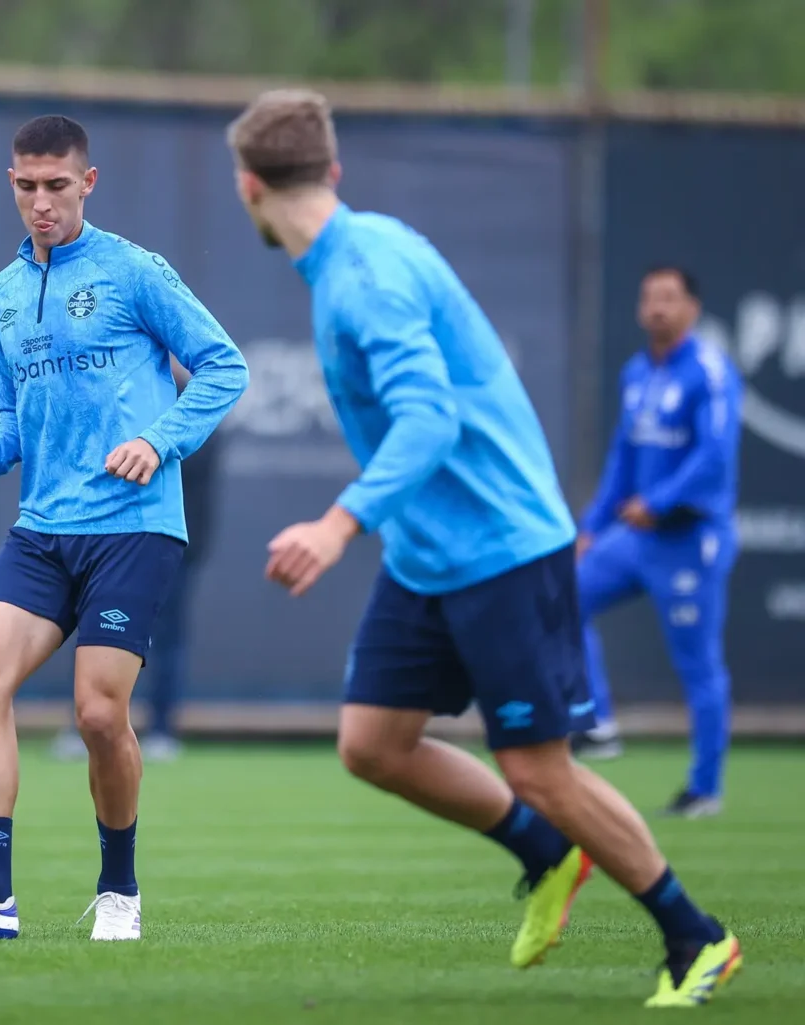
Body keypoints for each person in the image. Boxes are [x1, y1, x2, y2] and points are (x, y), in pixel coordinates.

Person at [226, 88, 741, 1008]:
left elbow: (429, 416)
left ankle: (694, 935)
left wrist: (338, 522)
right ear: (333, 172)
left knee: (541, 770)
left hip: (503, 550)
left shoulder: (366, 277)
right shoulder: (357, 249)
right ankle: (544, 854)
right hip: (430, 553)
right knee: (373, 743)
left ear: (247, 186)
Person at [0, 115, 248, 942]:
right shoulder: (0, 296)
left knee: (95, 714)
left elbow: (225, 364)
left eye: (57, 186)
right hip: (44, 529)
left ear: (88, 183)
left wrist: (158, 441)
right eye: (26, 186)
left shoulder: (133, 271)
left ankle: (119, 890)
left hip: (134, 527)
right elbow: (14, 416)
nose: (41, 203)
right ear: (10, 184)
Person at [573, 267, 741, 819]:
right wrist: (592, 526)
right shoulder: (637, 372)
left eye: (669, 298)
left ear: (692, 307)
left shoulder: (710, 371)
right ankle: (598, 724)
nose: (657, 308)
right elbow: (623, 457)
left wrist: (660, 501)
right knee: (562, 598)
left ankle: (704, 788)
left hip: (689, 537)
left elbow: (713, 455)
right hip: (635, 537)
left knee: (698, 665)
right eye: (649, 297)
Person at [50, 353, 225, 763]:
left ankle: (162, 729)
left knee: (166, 640)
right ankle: (83, 729)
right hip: (111, 538)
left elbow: (187, 471)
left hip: (173, 542)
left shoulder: (195, 402)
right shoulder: (122, 395)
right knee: (94, 632)